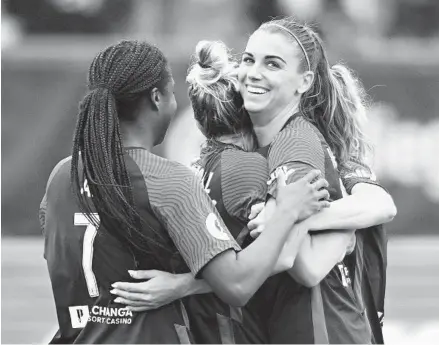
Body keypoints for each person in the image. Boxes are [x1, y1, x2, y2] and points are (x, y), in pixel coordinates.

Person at [112, 29, 396, 344]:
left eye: (272, 64)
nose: (253, 73)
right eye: (248, 59)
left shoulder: (294, 143)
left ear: (305, 82)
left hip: (324, 330)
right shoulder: (256, 156)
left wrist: (292, 217)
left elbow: (312, 262)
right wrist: (301, 219)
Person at [38, 40, 329, 344]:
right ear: (156, 98)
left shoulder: (61, 174)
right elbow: (238, 286)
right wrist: (286, 211)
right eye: (172, 93)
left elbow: (58, 252)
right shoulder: (168, 180)